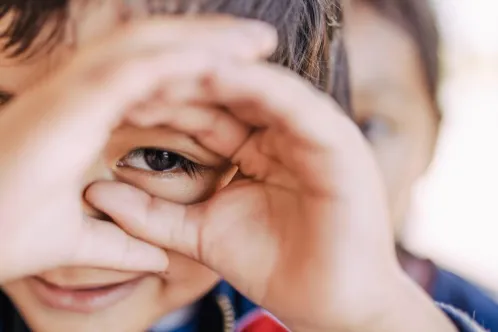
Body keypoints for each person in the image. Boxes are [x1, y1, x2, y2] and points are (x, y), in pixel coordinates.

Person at [0, 0, 485, 331]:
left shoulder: (304, 301)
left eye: (162, 157)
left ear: (263, 171)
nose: (58, 207)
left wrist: (373, 317)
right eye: (15, 131)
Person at [345, 0, 498, 330]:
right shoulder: (214, 298)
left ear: (432, 139)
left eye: (369, 126)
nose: (328, 156)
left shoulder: (484, 316)